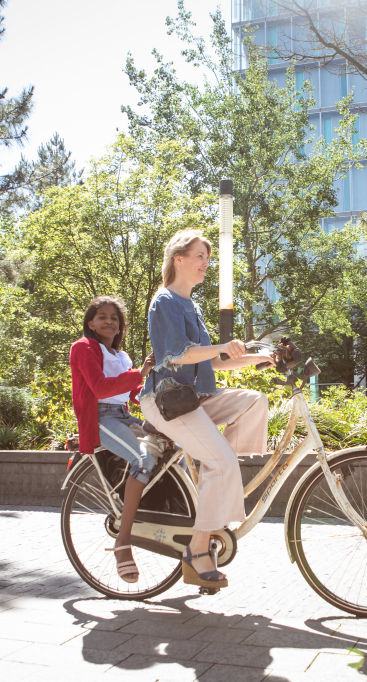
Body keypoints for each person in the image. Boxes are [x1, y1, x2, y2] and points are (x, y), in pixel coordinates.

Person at [138, 229, 273, 590]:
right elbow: (179, 354)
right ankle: (198, 551)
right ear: (178, 259)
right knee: (222, 461)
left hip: (195, 398)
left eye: (208, 258)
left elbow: (211, 362)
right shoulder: (164, 302)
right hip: (167, 402)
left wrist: (257, 357)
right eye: (199, 256)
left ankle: (216, 481)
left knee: (255, 403)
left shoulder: (192, 306)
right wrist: (221, 346)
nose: (205, 263)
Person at [70, 296, 156, 583]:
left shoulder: (121, 356)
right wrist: (139, 373)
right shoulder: (83, 348)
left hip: (122, 414)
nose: (109, 321)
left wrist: (155, 385)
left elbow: (130, 394)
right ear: (90, 323)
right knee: (143, 460)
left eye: (115, 318)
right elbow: (100, 388)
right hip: (101, 418)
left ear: (120, 327)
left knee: (173, 446)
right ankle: (124, 542)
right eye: (102, 316)